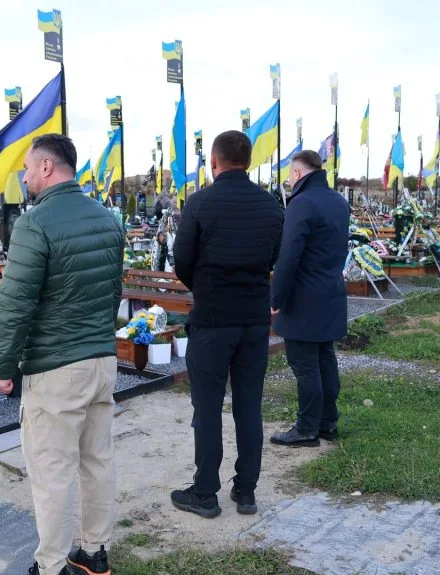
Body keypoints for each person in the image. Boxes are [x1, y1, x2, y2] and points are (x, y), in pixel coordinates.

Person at [0, 134, 126, 575]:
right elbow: (113, 293)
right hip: (101, 360)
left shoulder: (35, 223)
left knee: (52, 471)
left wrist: (2, 366)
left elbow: (15, 304)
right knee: (97, 461)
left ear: (47, 168)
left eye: (29, 168)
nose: (25, 176)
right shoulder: (107, 219)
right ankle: (94, 552)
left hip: (55, 367)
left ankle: (51, 566)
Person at [169, 131, 284, 518]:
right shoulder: (270, 206)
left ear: (214, 162)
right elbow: (275, 255)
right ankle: (246, 490)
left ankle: (205, 492)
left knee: (207, 408)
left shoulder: (200, 203)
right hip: (253, 320)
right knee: (249, 406)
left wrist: (205, 286)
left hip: (213, 318)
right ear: (248, 162)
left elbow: (182, 260)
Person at [270, 150, 350, 447]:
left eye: (290, 175)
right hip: (330, 291)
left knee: (305, 366)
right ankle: (328, 421)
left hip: (304, 297)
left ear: (297, 173)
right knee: (325, 359)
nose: (289, 181)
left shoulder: (301, 203)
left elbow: (289, 256)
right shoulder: (338, 201)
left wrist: (276, 297)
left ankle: (306, 428)